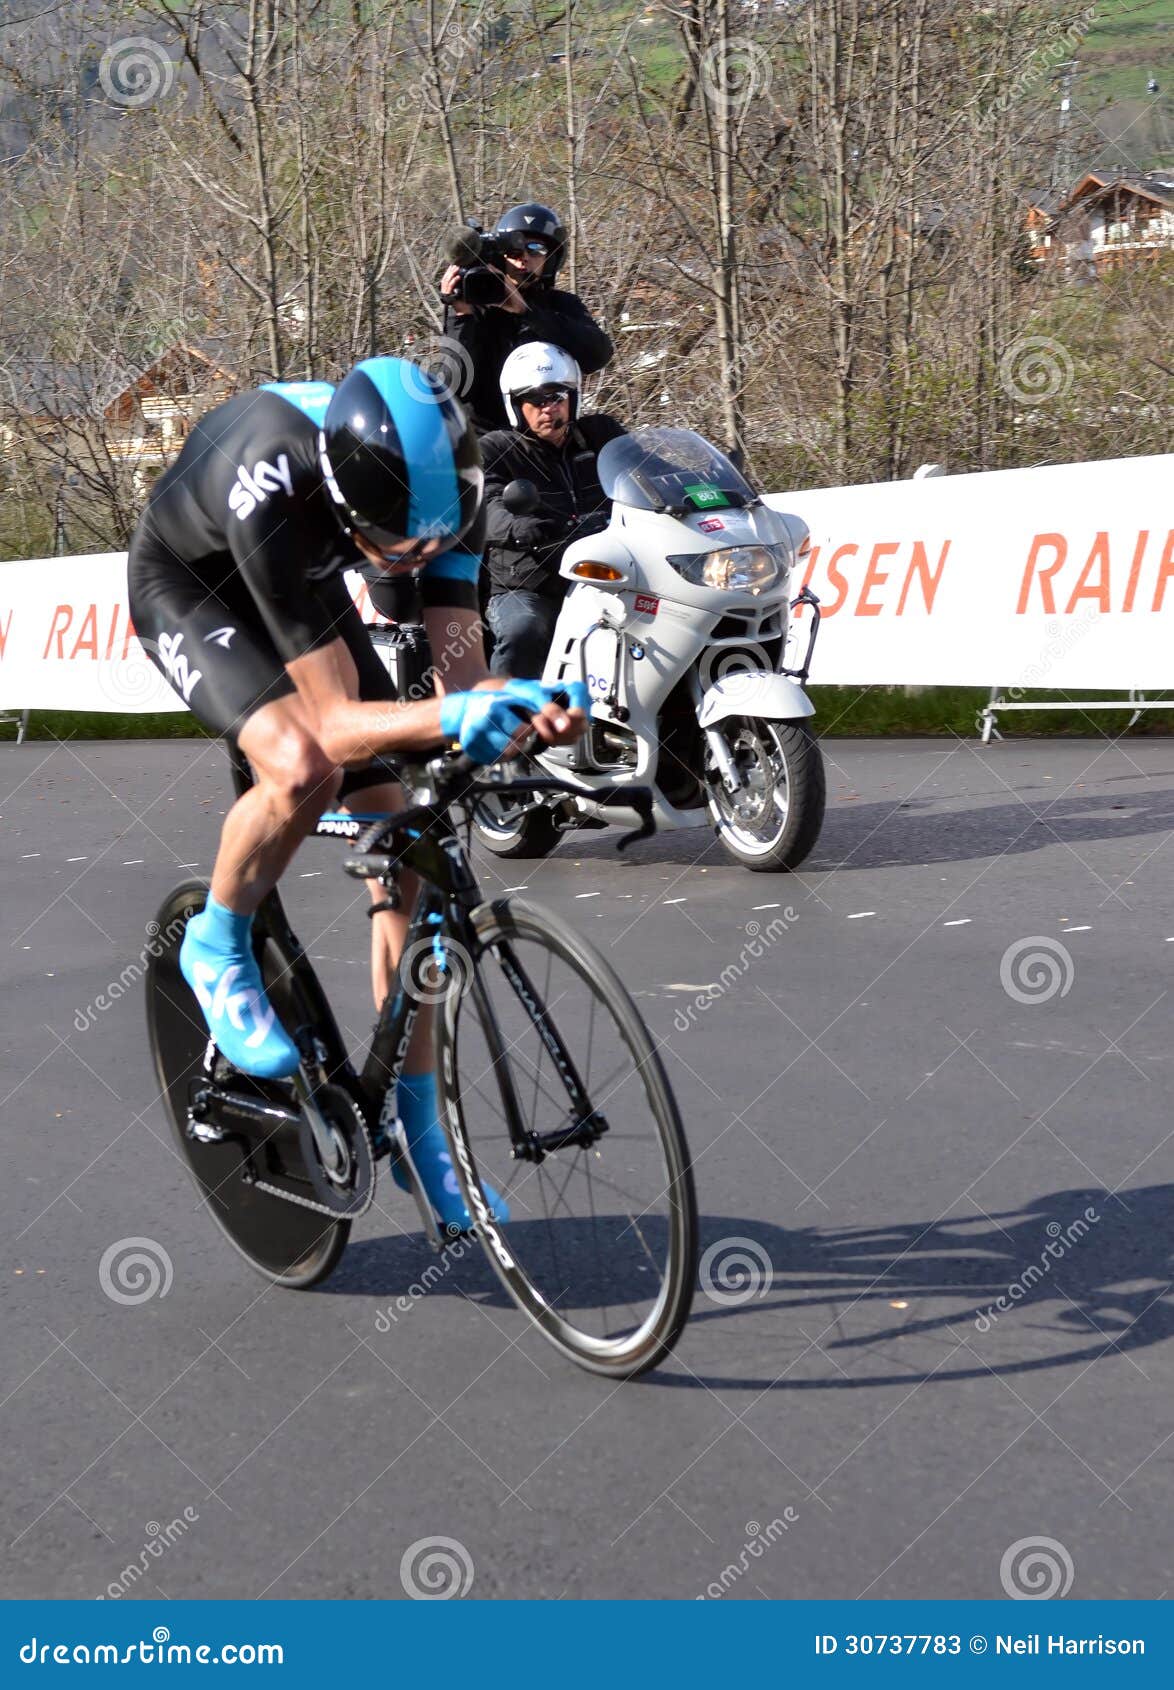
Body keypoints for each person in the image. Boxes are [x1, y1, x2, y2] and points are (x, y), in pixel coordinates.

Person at [127, 359, 587, 1231]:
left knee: (406, 844)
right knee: (303, 766)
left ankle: (423, 1128)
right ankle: (215, 944)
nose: (414, 563)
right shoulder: (279, 485)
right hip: (194, 584)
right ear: (347, 501)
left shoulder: (453, 488)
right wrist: (446, 715)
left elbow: (461, 667)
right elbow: (335, 724)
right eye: (396, 550)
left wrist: (515, 710)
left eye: (427, 548)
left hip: (304, 579)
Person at [481, 343, 625, 679]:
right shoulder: (497, 449)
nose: (548, 408)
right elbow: (485, 505)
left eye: (556, 396)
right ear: (517, 405)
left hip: (607, 573)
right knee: (524, 630)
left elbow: (646, 470)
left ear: (571, 399)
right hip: (528, 583)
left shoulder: (599, 435)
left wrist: (695, 486)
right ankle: (504, 724)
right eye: (536, 399)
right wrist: (520, 527)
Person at [440, 201, 613, 433]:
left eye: (535, 249)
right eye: (513, 251)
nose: (524, 258)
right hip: (490, 445)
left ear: (550, 259)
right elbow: (453, 388)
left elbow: (597, 355)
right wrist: (461, 315)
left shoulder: (561, 305)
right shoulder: (477, 308)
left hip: (548, 438)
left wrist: (528, 313)